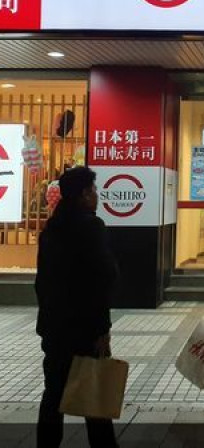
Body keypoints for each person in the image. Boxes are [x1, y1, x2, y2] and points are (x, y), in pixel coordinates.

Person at [35, 166, 119, 448]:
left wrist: (48, 317)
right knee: (93, 396)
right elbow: (102, 279)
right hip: (84, 329)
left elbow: (42, 282)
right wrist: (102, 328)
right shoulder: (91, 227)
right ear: (83, 194)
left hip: (54, 328)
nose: (97, 195)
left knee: (53, 395)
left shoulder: (51, 230)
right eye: (94, 190)